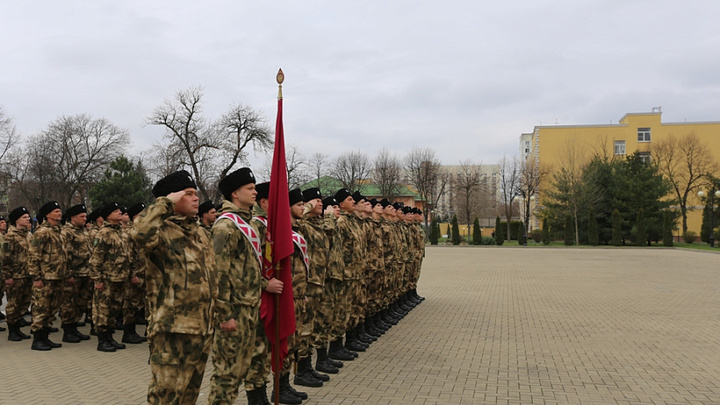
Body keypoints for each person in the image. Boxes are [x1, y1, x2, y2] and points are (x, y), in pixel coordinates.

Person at [132, 170, 216, 405]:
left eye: (195, 193)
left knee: (189, 396)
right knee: (166, 397)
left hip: (202, 329)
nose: (196, 198)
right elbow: (139, 232)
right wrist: (165, 202)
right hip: (173, 331)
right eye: (188, 194)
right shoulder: (161, 232)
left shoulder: (199, 232)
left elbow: (211, 278)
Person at [207, 168, 276, 405]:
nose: (255, 192)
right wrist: (225, 314)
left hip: (251, 306)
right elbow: (218, 274)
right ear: (235, 193)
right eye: (250, 188)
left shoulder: (250, 224)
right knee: (228, 373)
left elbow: (252, 269)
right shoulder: (225, 227)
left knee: (251, 362)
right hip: (234, 311)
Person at [89, 202, 129, 352]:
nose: (120, 212)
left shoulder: (119, 231)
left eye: (120, 210)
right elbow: (96, 258)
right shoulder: (104, 233)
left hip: (119, 278)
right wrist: (98, 279)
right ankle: (102, 340)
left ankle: (110, 338)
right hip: (106, 279)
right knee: (103, 310)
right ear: (108, 215)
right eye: (116, 211)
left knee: (114, 309)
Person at [28, 201, 68, 351]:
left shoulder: (58, 231)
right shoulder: (41, 232)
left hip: (57, 276)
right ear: (48, 214)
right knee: (41, 308)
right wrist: (36, 277)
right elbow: (33, 256)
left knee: (52, 309)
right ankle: (37, 339)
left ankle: (45, 337)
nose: (59, 213)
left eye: (60, 211)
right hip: (45, 278)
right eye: (56, 211)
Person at [59, 204, 92, 343]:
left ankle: (74, 328)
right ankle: (67, 331)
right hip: (73, 273)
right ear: (73, 218)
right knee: (69, 303)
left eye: (85, 216)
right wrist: (68, 274)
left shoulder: (83, 231)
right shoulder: (66, 232)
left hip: (85, 273)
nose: (85, 219)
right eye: (82, 216)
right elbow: (64, 255)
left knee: (80, 303)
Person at [3, 207, 33, 341]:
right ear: (17, 220)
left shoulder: (29, 235)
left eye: (28, 217)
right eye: (24, 217)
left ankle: (18, 327)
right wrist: (7, 276)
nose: (28, 219)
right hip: (15, 275)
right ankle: (12, 330)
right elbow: (5, 257)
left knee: (25, 302)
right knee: (13, 304)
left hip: (28, 274)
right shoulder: (10, 236)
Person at [121, 202, 148, 344]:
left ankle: (146, 331)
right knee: (131, 304)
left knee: (146, 304)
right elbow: (128, 255)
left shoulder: (144, 231)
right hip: (135, 274)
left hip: (146, 273)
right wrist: (132, 274)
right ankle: (128, 332)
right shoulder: (129, 233)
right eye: (141, 214)